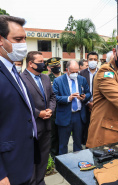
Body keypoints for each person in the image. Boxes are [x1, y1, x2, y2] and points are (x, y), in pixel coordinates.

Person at [0, 15, 38, 185]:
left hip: (23, 163)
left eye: (24, 38)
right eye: (17, 39)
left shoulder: (13, 71)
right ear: (1, 40)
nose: (23, 44)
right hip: (7, 171)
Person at [21, 51, 56, 185]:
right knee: (32, 160)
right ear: (31, 63)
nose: (44, 64)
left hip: (46, 126)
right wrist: (38, 113)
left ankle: (40, 181)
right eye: (40, 62)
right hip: (32, 128)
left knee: (43, 158)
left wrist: (50, 110)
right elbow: (22, 103)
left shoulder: (45, 78)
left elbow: (52, 97)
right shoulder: (21, 79)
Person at [52, 60, 91, 154]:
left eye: (76, 72)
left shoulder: (82, 79)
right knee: (63, 144)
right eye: (72, 72)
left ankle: (77, 163)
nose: (75, 74)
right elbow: (54, 97)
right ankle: (63, 165)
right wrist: (68, 98)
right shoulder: (58, 81)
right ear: (67, 70)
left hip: (78, 116)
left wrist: (84, 97)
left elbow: (88, 93)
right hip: (65, 115)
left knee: (78, 143)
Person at [80, 51, 99, 144]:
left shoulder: (102, 73)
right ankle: (86, 145)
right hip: (85, 105)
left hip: (99, 106)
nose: (93, 61)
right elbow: (79, 90)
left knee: (97, 129)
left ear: (98, 61)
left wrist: (95, 103)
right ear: (87, 61)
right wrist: (88, 103)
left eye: (95, 59)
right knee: (86, 128)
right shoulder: (81, 73)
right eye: (91, 59)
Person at [47, 57, 64, 159]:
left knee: (63, 133)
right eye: (53, 66)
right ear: (50, 68)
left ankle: (62, 155)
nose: (56, 68)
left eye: (57, 65)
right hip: (54, 110)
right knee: (53, 134)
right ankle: (53, 155)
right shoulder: (47, 78)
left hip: (64, 109)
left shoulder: (66, 77)